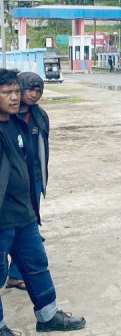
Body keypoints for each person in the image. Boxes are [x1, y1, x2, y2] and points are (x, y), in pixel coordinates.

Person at [0, 69, 86, 334]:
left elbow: (29, 167)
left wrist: (34, 207)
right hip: (2, 219)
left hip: (24, 215)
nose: (15, 98)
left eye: (16, 91)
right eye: (7, 93)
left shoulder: (19, 124)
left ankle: (48, 317)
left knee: (37, 265)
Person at [5, 73, 49, 292]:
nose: (34, 94)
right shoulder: (8, 119)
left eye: (39, 90)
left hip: (34, 180)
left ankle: (16, 274)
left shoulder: (40, 116)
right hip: (10, 187)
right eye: (30, 89)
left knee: (29, 227)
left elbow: (43, 150)